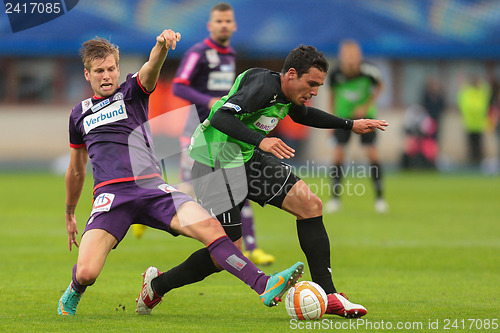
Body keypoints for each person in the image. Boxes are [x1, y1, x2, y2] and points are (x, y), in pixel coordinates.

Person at [57, 31, 304, 316]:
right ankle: (75, 289)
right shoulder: (79, 114)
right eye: (99, 71)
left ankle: (264, 285)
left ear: (118, 68)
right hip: (112, 197)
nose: (107, 75)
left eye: (111, 68)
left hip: (152, 189)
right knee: (87, 272)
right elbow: (76, 170)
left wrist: (161, 45)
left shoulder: (131, 91)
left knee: (212, 229)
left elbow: (151, 67)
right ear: (87, 75)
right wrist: (70, 211)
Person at [141, 45, 388, 318]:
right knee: (225, 254)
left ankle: (328, 295)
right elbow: (221, 116)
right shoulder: (261, 85)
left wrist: (350, 124)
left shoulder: (288, 95)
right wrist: (262, 140)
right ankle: (156, 286)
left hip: (245, 158)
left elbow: (303, 115)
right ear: (291, 74)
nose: (315, 91)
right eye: (312, 84)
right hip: (214, 163)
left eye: (319, 85)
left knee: (310, 204)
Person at [171, 2, 274, 265]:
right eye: (219, 21)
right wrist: (208, 102)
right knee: (189, 191)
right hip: (198, 133)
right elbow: (179, 86)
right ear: (210, 25)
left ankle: (250, 246)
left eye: (228, 21)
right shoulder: (198, 53)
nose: (224, 25)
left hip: (224, 134)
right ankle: (150, 212)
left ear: (234, 25)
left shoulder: (230, 55)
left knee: (238, 186)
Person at [325, 39, 387, 214]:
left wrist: (366, 107)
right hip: (343, 118)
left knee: (372, 153)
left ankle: (380, 198)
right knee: (338, 155)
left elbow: (381, 86)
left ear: (359, 55)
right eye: (347, 56)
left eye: (354, 55)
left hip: (366, 117)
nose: (351, 59)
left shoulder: (369, 71)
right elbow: (332, 95)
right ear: (342, 56)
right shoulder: (335, 73)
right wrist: (331, 119)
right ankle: (335, 199)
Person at [457, 74, 490, 167]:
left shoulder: (481, 92)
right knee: (471, 146)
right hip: (469, 124)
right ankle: (471, 163)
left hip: (479, 124)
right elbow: (462, 101)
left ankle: (479, 163)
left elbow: (487, 92)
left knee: (479, 146)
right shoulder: (468, 92)